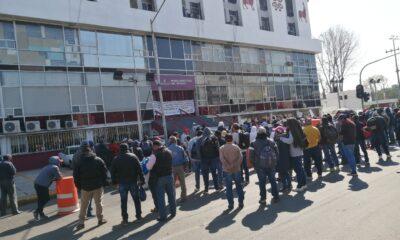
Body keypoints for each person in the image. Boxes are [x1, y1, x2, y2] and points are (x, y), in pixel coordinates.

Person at [74, 142, 108, 230]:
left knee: (84, 204)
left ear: (82, 151)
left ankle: (81, 222)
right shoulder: (98, 160)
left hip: (85, 187)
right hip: (97, 186)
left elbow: (76, 176)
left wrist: (79, 186)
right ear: (91, 150)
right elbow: (104, 172)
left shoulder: (79, 162)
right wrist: (104, 183)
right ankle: (100, 219)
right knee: (98, 203)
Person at [111, 143, 145, 225]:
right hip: (133, 181)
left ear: (120, 149)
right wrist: (142, 179)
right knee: (136, 200)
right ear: (127, 148)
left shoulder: (116, 158)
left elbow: (112, 172)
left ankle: (125, 220)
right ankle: (139, 216)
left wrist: (114, 182)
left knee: (123, 201)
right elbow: (139, 169)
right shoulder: (133, 156)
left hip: (122, 183)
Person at [249, 127, 280, 204]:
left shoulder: (253, 143)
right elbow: (277, 153)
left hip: (260, 166)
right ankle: (276, 196)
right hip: (271, 165)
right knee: (273, 181)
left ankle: (263, 198)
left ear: (258, 133)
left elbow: (251, 156)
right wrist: (274, 162)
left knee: (262, 182)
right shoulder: (272, 141)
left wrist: (254, 165)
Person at [280, 118, 307, 192]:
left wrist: (281, 138)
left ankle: (299, 186)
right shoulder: (299, 129)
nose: (287, 125)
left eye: (288, 124)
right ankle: (304, 184)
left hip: (294, 153)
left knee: (298, 170)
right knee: (301, 169)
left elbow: (290, 141)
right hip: (299, 151)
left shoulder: (292, 131)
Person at [152, 140, 176, 222]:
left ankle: (163, 216)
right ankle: (173, 212)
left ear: (156, 146)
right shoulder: (169, 152)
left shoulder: (155, 155)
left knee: (160, 198)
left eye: (153, 146)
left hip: (160, 178)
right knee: (171, 195)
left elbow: (149, 167)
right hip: (169, 175)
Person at [219, 134, 244, 210]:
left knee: (229, 188)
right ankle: (240, 202)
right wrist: (235, 165)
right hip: (236, 169)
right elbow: (241, 157)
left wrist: (228, 166)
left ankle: (230, 204)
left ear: (225, 139)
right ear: (232, 139)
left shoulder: (222, 148)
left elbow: (222, 159)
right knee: (239, 186)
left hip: (227, 170)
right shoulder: (236, 147)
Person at [33, 156, 63, 220]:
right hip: (42, 186)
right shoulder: (55, 167)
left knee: (40, 199)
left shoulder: (47, 166)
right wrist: (57, 177)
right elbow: (59, 178)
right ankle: (37, 211)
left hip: (37, 184)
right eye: (59, 162)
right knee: (46, 199)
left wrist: (53, 179)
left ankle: (40, 213)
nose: (59, 163)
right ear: (56, 162)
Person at [199, 127, 220, 193]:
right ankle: (216, 188)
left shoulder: (200, 139)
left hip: (204, 159)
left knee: (205, 174)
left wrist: (201, 158)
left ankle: (206, 189)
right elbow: (217, 148)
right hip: (213, 158)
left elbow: (198, 150)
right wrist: (218, 157)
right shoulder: (214, 138)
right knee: (214, 173)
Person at [168, 136, 189, 203]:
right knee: (182, 182)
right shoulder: (180, 148)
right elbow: (186, 158)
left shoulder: (167, 149)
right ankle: (183, 197)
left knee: (172, 184)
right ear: (175, 141)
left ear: (170, 141)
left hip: (171, 168)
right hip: (180, 167)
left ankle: (172, 198)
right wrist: (185, 167)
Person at [273, 126, 292, 193]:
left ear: (278, 132)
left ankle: (286, 186)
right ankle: (288, 186)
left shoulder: (280, 139)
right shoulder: (284, 137)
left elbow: (277, 150)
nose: (275, 133)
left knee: (284, 173)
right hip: (286, 157)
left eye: (276, 131)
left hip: (281, 158)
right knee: (285, 173)